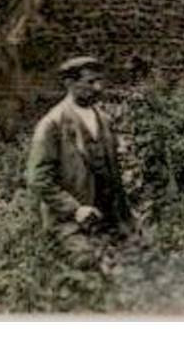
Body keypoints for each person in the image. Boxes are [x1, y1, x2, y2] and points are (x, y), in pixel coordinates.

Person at [26, 54, 133, 266]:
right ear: (70, 83)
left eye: (100, 81)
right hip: (70, 223)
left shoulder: (104, 119)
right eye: (90, 82)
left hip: (110, 218)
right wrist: (75, 209)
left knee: (139, 265)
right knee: (89, 268)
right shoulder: (52, 124)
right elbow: (37, 178)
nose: (98, 88)